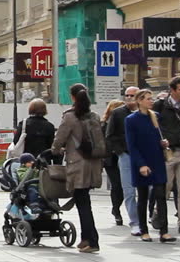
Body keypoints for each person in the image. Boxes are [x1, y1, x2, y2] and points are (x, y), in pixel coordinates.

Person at [52, 84, 102, 253]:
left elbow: (60, 138)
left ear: (72, 97)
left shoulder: (70, 116)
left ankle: (92, 241)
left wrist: (55, 150)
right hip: (93, 163)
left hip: (77, 165)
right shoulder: (94, 116)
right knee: (84, 201)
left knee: (83, 203)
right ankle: (85, 238)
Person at [126, 89, 175, 242]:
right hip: (142, 162)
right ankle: (143, 230)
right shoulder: (131, 119)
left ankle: (164, 231)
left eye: (151, 98)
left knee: (160, 196)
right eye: (147, 99)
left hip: (157, 160)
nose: (151, 101)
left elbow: (158, 137)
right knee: (143, 197)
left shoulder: (156, 117)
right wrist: (141, 164)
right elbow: (131, 145)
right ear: (139, 101)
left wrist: (164, 143)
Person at [152, 77, 180, 234]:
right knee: (165, 185)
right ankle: (157, 212)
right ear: (172, 90)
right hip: (167, 152)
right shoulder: (161, 105)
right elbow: (153, 127)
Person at [106, 86, 142, 235]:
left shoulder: (147, 113)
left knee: (148, 190)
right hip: (126, 155)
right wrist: (120, 151)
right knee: (129, 191)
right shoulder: (117, 113)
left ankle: (145, 218)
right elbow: (110, 134)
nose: (128, 98)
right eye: (126, 95)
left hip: (144, 156)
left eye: (132, 95)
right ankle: (135, 222)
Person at [101, 99, 125, 227]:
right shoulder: (103, 124)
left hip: (123, 155)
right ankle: (116, 210)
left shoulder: (125, 122)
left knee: (124, 185)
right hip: (110, 158)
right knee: (116, 185)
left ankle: (116, 207)